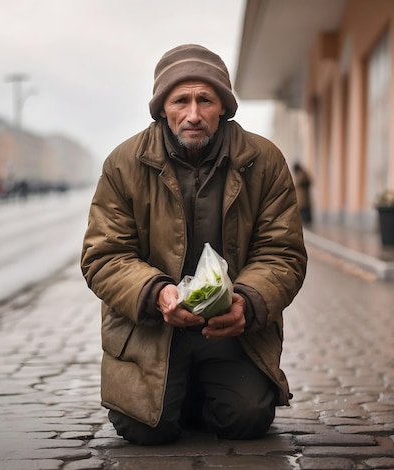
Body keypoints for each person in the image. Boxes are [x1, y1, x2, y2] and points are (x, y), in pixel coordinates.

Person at [81, 44, 307, 445]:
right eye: (180, 100)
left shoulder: (264, 161)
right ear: (161, 107)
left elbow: (282, 253)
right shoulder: (123, 163)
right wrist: (156, 293)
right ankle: (182, 393)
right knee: (144, 427)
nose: (193, 114)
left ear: (223, 106)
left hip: (232, 330)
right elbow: (104, 256)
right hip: (152, 327)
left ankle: (200, 389)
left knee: (248, 420)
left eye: (206, 99)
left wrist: (248, 302)